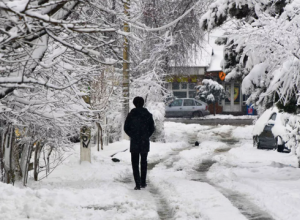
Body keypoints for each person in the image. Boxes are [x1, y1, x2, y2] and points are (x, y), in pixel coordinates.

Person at [124, 96, 155, 190]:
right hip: (144, 141)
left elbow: (126, 128)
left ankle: (137, 183)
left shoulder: (131, 114)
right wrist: (146, 136)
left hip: (135, 141)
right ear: (143, 103)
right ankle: (143, 182)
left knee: (135, 163)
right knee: (144, 162)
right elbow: (152, 128)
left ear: (134, 103)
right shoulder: (148, 114)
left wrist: (133, 135)